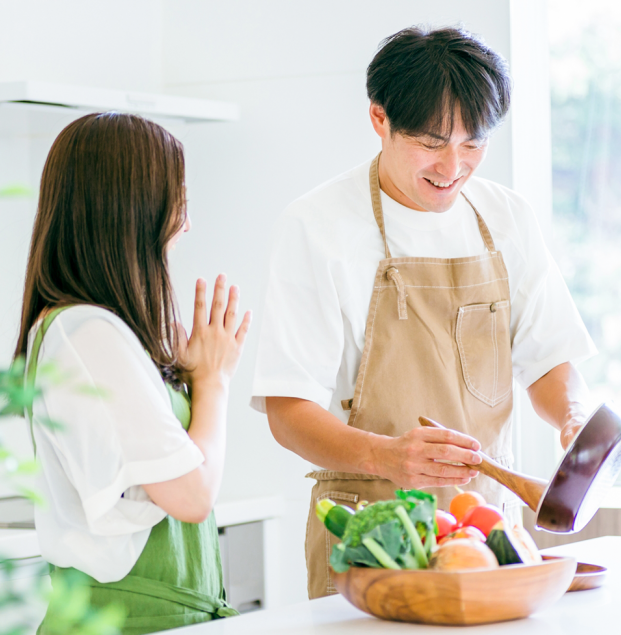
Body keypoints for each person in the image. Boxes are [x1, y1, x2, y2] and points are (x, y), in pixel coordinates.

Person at [250, 26, 597, 599]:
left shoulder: (507, 217)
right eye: (432, 143)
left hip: (485, 532)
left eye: (473, 144)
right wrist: (385, 457)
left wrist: (574, 419)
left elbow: (547, 359)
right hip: (370, 536)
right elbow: (288, 410)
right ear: (379, 119)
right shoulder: (317, 225)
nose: (453, 166)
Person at [14, 112, 251, 635]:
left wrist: (189, 376)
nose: (185, 223)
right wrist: (213, 383)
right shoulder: (88, 333)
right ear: (134, 208)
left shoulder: (89, 328)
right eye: (178, 200)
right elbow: (191, 494)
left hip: (144, 634)